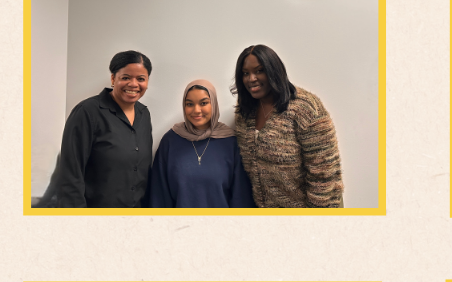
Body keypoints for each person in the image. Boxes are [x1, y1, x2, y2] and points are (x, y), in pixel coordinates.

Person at [231, 45, 344, 207]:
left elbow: (324, 173)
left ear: (274, 71)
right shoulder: (245, 111)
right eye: (245, 73)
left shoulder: (305, 108)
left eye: (259, 70)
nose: (251, 79)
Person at [41, 51, 154, 207]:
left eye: (141, 79)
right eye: (126, 77)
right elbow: (70, 176)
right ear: (113, 78)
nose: (133, 84)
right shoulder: (87, 112)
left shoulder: (144, 115)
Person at [148, 78, 255, 208]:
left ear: (213, 104)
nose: (196, 110)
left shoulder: (231, 142)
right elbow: (159, 196)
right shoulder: (170, 141)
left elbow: (241, 197)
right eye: (190, 104)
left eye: (203, 103)